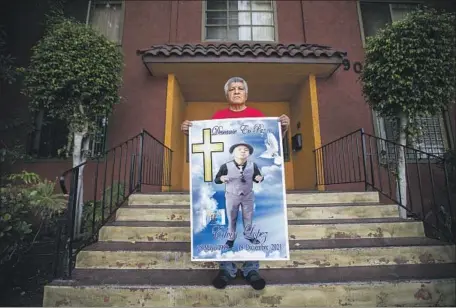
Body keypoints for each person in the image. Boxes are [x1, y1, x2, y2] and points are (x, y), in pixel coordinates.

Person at [181, 76, 290, 291]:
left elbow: (273, 144)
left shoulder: (258, 117)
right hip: (229, 194)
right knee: (227, 224)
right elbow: (205, 143)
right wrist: (189, 132)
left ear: (246, 93)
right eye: (233, 89)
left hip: (248, 194)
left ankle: (251, 270)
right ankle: (227, 270)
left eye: (241, 88)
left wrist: (283, 129)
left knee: (250, 222)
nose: (237, 91)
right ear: (227, 94)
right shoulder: (218, 118)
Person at [214, 142, 263, 249]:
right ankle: (231, 238)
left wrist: (259, 178)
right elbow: (216, 179)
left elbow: (257, 177)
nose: (242, 151)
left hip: (248, 195)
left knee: (248, 217)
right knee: (231, 218)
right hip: (232, 196)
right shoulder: (225, 166)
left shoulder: (253, 165)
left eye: (245, 150)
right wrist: (221, 178)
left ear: (249, 154)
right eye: (239, 149)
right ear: (233, 153)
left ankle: (249, 235)